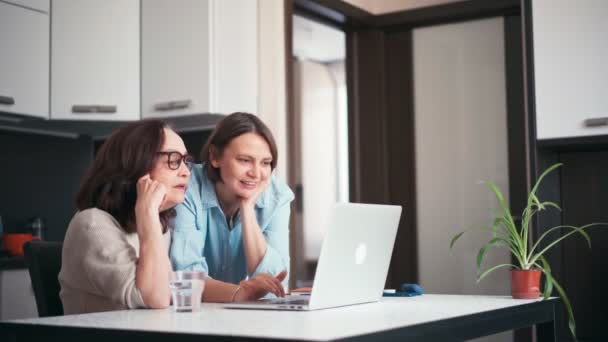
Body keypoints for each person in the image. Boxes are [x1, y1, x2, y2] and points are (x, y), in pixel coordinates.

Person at [59, 119, 284, 314]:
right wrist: (147, 211)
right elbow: (157, 297)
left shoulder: (158, 226)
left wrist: (241, 291)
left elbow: (173, 289)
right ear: (137, 163)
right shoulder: (92, 224)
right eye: (174, 161)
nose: (186, 171)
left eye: (185, 161)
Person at [171, 112, 294, 302]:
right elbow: (186, 277)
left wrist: (247, 207)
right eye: (244, 160)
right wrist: (239, 293)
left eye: (265, 163)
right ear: (214, 157)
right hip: (192, 315)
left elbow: (275, 284)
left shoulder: (278, 196)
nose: (256, 173)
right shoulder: (186, 187)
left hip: (241, 314)